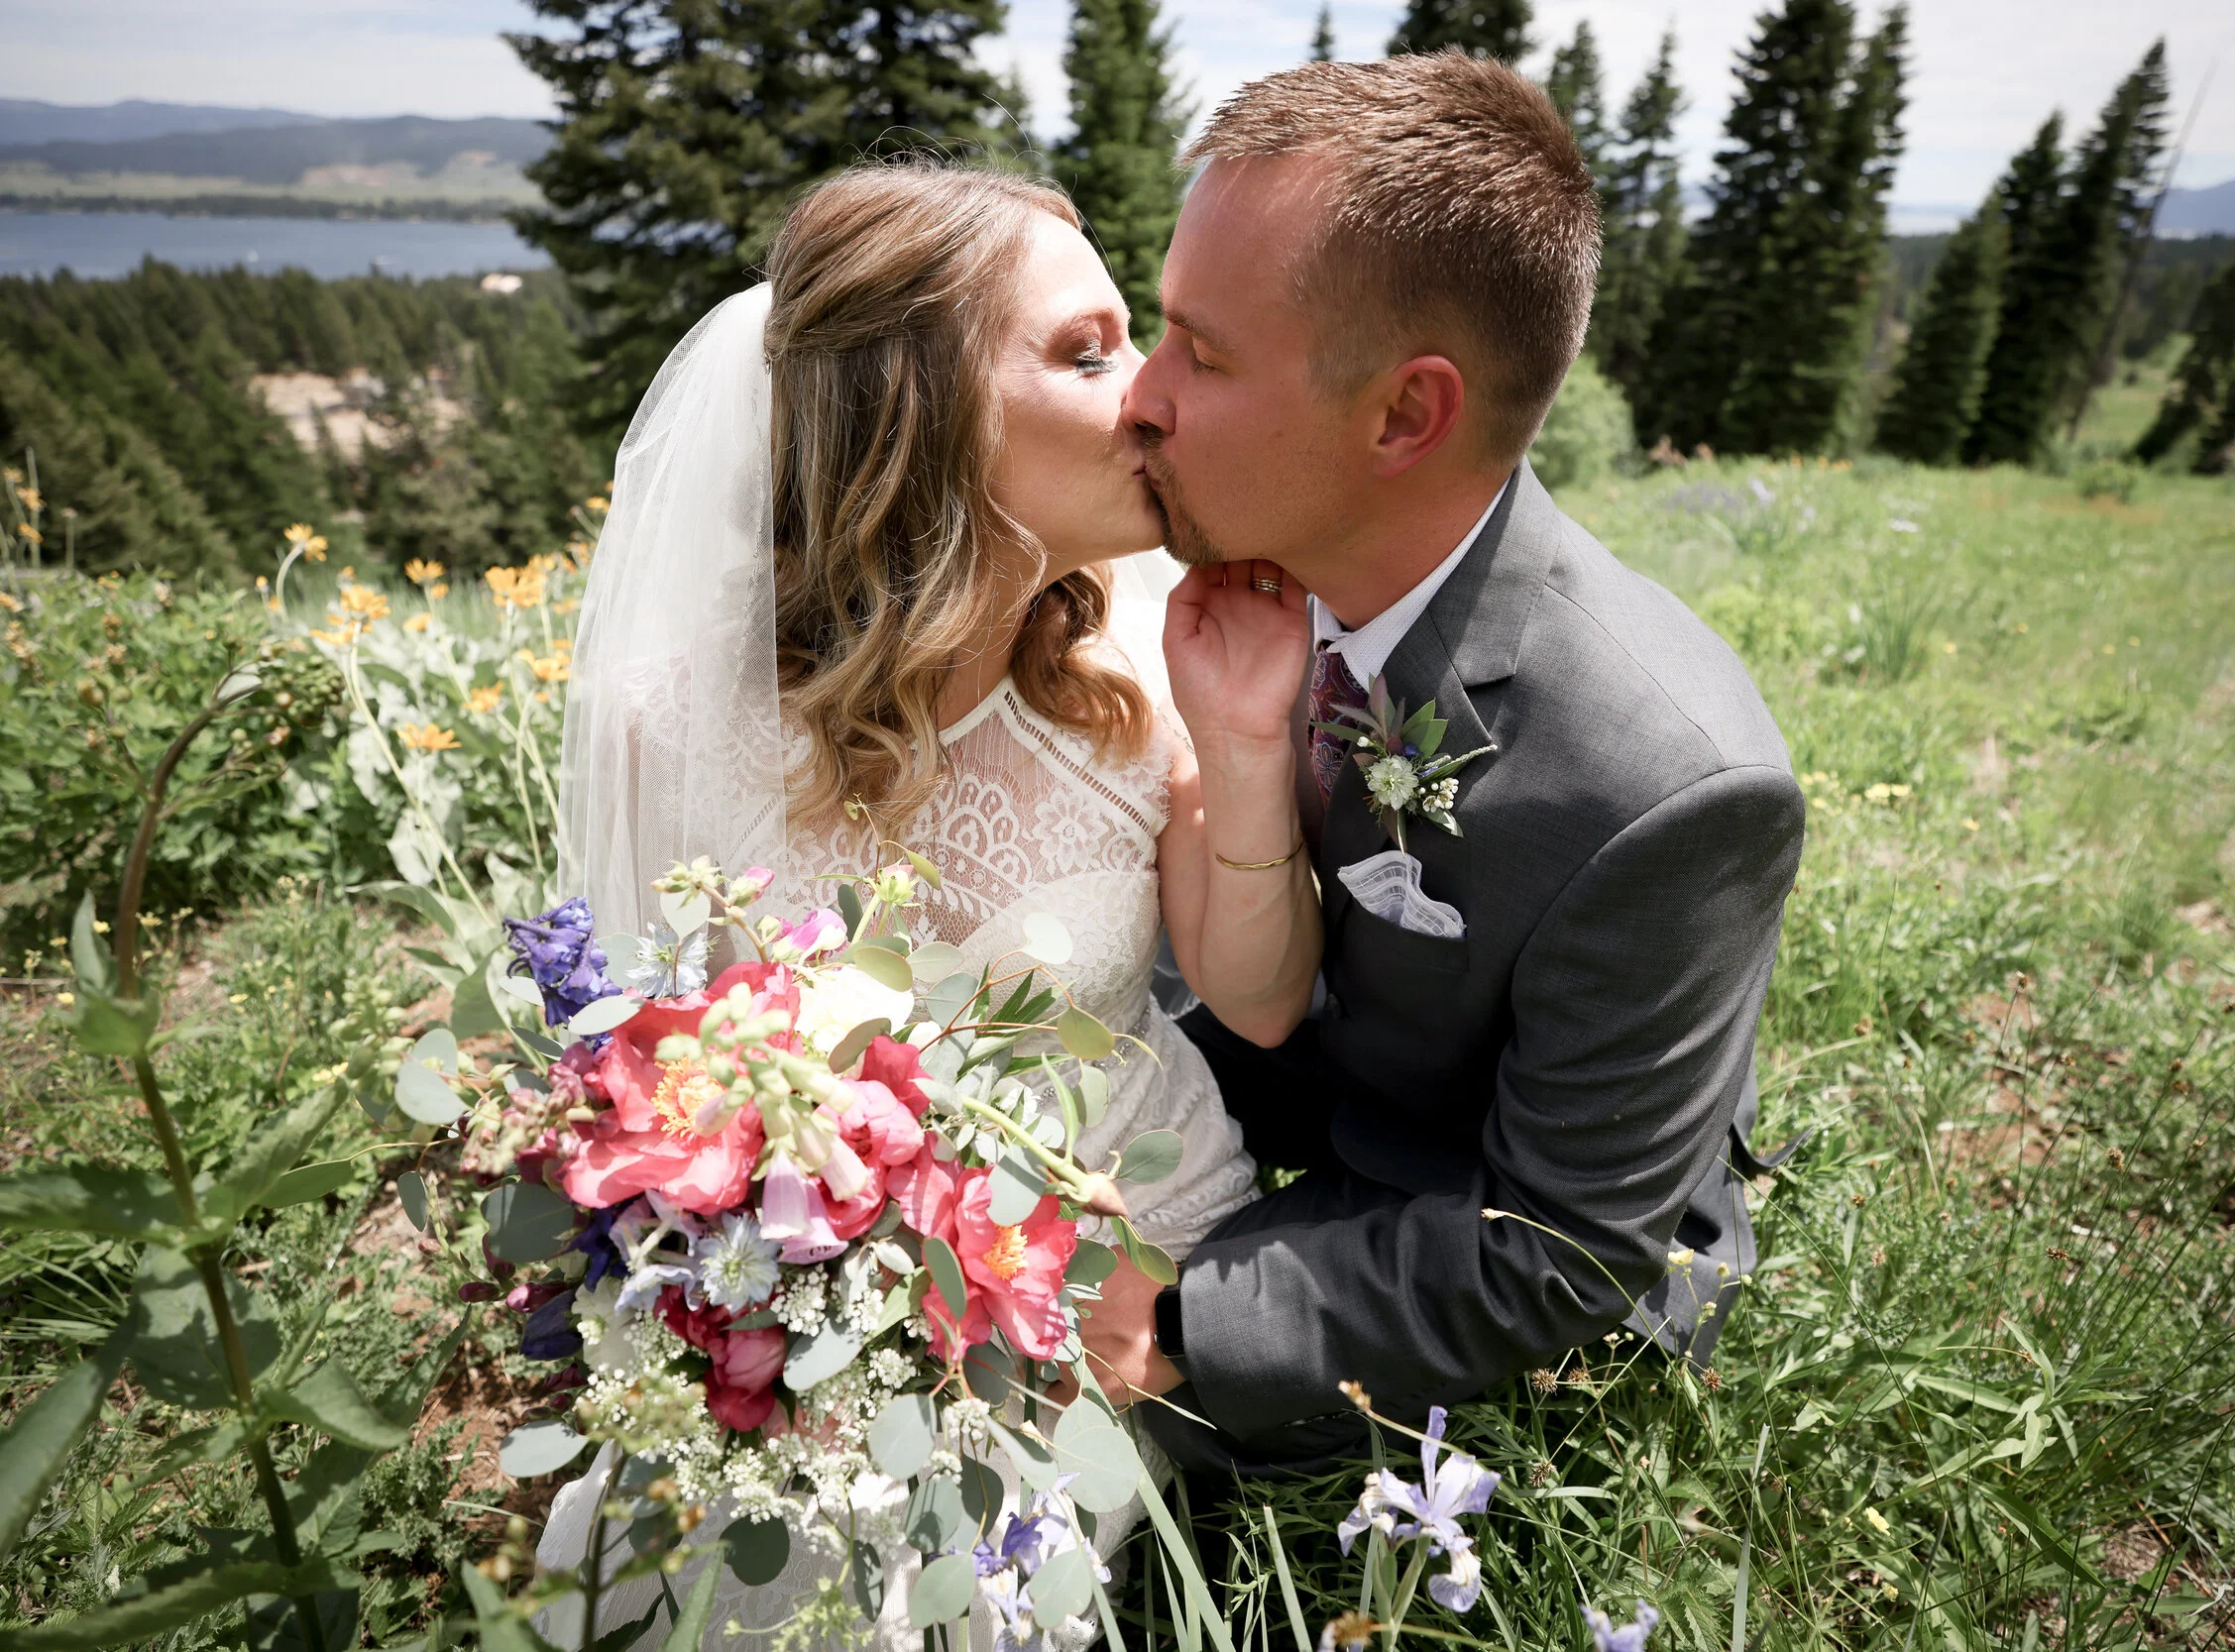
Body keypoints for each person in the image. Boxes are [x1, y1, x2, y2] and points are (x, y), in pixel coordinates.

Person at [543, 163, 1314, 1648]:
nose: (1153, 395)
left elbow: (1263, 997)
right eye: (1087, 355)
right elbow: (639, 1087)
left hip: (1114, 1283)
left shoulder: (1137, 691)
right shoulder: (673, 722)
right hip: (810, 1291)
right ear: (920, 411)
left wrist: (1249, 745)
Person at [1066, 54, 1808, 1475]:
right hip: (1313, 1083)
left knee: (1058, 1409)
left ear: (1406, 416)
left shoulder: (1668, 788)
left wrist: (1190, 1322)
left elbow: (1561, 1252)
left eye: (1201, 354)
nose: (1141, 399)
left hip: (1476, 1230)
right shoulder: (1268, 573)